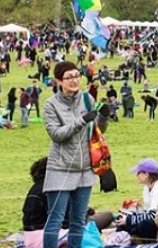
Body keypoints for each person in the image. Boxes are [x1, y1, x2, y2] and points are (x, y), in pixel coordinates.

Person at [41, 61, 111, 248]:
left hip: (85, 168)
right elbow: (57, 135)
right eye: (68, 77)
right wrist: (81, 120)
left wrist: (103, 117)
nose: (74, 81)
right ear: (58, 81)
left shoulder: (88, 99)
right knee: (55, 220)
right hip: (60, 168)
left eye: (76, 76)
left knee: (78, 220)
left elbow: (96, 131)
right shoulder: (51, 104)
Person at [115, 158, 158, 241]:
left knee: (144, 224)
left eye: (138, 172)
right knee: (121, 220)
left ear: (146, 174)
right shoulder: (146, 188)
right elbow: (146, 212)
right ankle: (133, 236)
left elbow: (154, 216)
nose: (136, 175)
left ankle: (136, 237)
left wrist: (129, 220)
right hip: (152, 220)